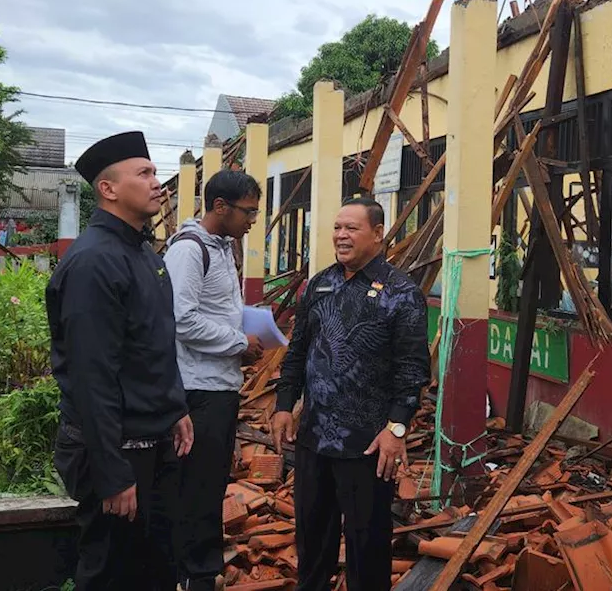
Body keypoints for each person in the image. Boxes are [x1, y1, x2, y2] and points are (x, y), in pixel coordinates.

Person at [47, 131, 194, 590]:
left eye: (155, 173)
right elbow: (93, 376)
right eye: (145, 174)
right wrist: (112, 475)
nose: (158, 183)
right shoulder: (95, 262)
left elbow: (150, 346)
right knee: (112, 573)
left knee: (154, 569)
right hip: (115, 455)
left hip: (151, 445)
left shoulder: (142, 253)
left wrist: (174, 409)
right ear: (107, 189)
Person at [271, 197, 430, 591]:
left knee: (367, 545)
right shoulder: (319, 284)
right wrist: (283, 405)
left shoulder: (401, 293)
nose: (341, 236)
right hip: (314, 436)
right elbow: (298, 350)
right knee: (312, 539)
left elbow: (412, 371)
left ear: (378, 234)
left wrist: (396, 430)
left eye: (351, 228)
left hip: (367, 445)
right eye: (337, 228)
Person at [166, 169, 266, 591]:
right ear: (220, 206)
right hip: (197, 387)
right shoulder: (189, 251)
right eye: (247, 212)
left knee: (210, 484)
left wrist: (250, 328)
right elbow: (182, 320)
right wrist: (237, 341)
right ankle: (191, 574)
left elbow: (217, 308)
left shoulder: (223, 246)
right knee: (196, 485)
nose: (252, 221)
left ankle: (201, 570)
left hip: (220, 384)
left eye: (257, 213)